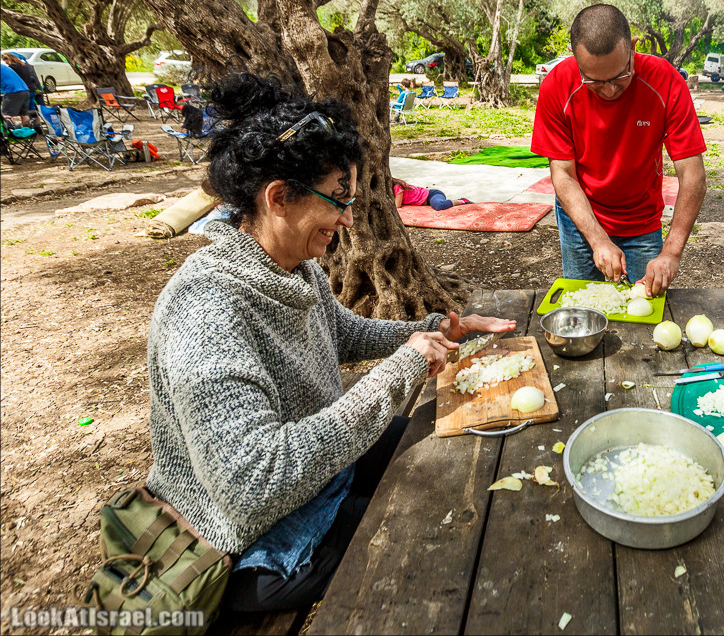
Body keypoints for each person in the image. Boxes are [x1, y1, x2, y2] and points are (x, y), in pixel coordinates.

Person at [145, 73, 515, 612]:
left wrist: (431, 331)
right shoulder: (205, 311)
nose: (346, 219)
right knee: (421, 518)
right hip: (243, 542)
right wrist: (399, 370)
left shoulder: (292, 266)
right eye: (337, 200)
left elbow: (341, 333)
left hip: (312, 470)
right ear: (278, 197)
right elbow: (250, 488)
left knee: (443, 449)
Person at [531, 4, 707, 296]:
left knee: (643, 306)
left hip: (641, 218)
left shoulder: (665, 81)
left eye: (619, 76)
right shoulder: (557, 86)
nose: (610, 90)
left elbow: (693, 176)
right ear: (575, 61)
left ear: (633, 48)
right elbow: (562, 175)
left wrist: (671, 253)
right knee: (584, 305)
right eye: (595, 82)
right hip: (581, 218)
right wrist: (597, 240)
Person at [393, 179, 470, 211]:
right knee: (437, 205)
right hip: (428, 201)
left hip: (431, 195)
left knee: (439, 206)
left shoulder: (397, 186)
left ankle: (462, 200)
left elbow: (397, 206)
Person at [0, 59, 31, 126]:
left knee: (7, 114)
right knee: (24, 114)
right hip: (25, 90)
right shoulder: (3, 67)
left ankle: (10, 131)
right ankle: (29, 130)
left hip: (13, 91)